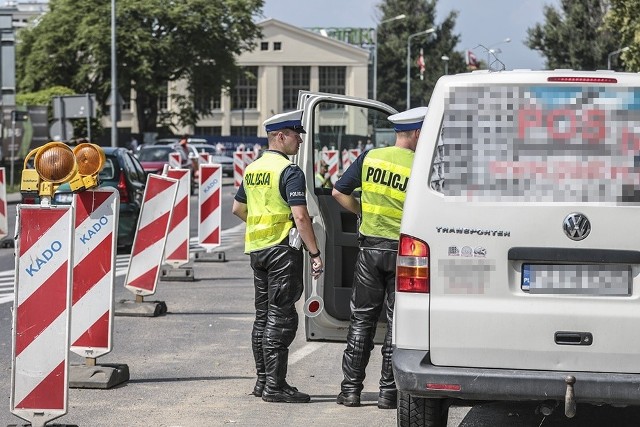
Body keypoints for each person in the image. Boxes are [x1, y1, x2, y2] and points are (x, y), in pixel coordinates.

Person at [332, 106, 428, 410]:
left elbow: (337, 192)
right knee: (395, 323)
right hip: (405, 254)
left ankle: (350, 391)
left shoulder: (371, 157)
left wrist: (364, 213)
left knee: (361, 320)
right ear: (416, 133)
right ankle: (388, 394)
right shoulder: (422, 164)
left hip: (370, 250)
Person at [232, 109, 324, 404]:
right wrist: (315, 253)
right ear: (281, 136)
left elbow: (238, 210)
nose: (299, 140)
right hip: (282, 252)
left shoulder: (253, 169)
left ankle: (262, 381)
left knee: (263, 317)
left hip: (258, 251)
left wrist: (262, 227)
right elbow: (300, 216)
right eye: (296, 135)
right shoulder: (289, 170)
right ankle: (276, 386)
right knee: (282, 319)